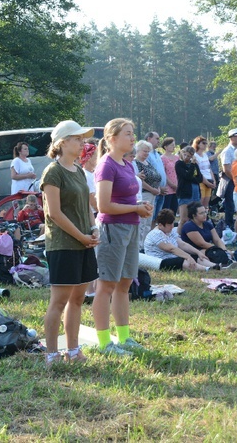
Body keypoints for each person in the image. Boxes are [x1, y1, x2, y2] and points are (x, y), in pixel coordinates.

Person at [93, 118, 153, 355]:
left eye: (132, 133)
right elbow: (103, 205)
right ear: (112, 139)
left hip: (131, 227)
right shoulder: (106, 165)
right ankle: (105, 343)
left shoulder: (128, 165)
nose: (132, 138)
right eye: (128, 134)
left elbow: (127, 199)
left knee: (125, 283)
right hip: (112, 229)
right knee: (106, 286)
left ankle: (124, 338)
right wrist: (135, 208)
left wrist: (140, 207)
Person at [41, 121, 98, 364]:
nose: (82, 142)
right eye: (77, 138)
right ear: (62, 142)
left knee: (77, 299)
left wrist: (93, 228)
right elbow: (54, 213)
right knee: (59, 301)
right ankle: (52, 353)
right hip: (64, 245)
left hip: (84, 243)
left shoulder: (79, 170)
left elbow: (86, 205)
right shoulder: (53, 172)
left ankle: (73, 350)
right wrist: (81, 236)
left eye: (82, 138)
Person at [144, 209, 220, 271]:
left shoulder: (170, 231)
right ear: (160, 225)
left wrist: (198, 252)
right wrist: (187, 257)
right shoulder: (155, 234)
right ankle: (207, 269)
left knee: (195, 256)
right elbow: (171, 249)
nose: (172, 226)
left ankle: (215, 266)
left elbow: (182, 244)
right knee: (182, 261)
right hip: (160, 261)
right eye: (169, 224)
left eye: (173, 223)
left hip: (172, 257)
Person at [133, 140, 161, 247]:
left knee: (149, 221)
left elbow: (156, 176)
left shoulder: (147, 163)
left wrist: (157, 188)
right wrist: (152, 189)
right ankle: (139, 245)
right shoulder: (136, 163)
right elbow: (141, 181)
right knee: (142, 222)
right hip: (145, 194)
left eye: (148, 152)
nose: (147, 154)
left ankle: (145, 244)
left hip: (153, 194)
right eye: (144, 151)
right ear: (138, 150)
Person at [175, 146, 202, 235]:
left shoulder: (194, 165)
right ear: (182, 153)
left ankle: (192, 236)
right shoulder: (179, 164)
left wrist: (193, 166)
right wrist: (193, 167)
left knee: (194, 218)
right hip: (185, 193)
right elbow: (187, 176)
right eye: (185, 155)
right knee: (184, 219)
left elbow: (200, 178)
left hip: (195, 193)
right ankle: (178, 237)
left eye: (189, 156)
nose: (187, 157)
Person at [220, 128, 237, 229]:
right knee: (230, 203)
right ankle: (229, 224)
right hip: (230, 180)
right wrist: (235, 180)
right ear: (232, 138)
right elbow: (226, 169)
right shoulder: (227, 151)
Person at [144, 131, 167, 219]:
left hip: (161, 191)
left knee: (156, 218)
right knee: (149, 218)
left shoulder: (157, 154)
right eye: (157, 138)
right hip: (152, 191)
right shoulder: (146, 154)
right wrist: (158, 188)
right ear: (149, 139)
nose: (159, 141)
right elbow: (146, 173)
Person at [193, 136, 216, 210]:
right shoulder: (195, 156)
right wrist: (206, 182)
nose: (205, 145)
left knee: (206, 203)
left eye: (206, 143)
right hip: (201, 181)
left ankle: (205, 219)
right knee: (200, 203)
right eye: (203, 143)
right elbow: (198, 172)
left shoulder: (205, 155)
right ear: (198, 144)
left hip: (209, 180)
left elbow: (209, 168)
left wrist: (214, 180)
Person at [160, 137, 179, 213]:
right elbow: (164, 173)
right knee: (167, 209)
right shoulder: (162, 158)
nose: (173, 147)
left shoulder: (177, 157)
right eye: (171, 145)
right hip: (168, 187)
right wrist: (172, 184)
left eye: (174, 145)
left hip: (177, 186)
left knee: (174, 208)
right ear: (165, 147)